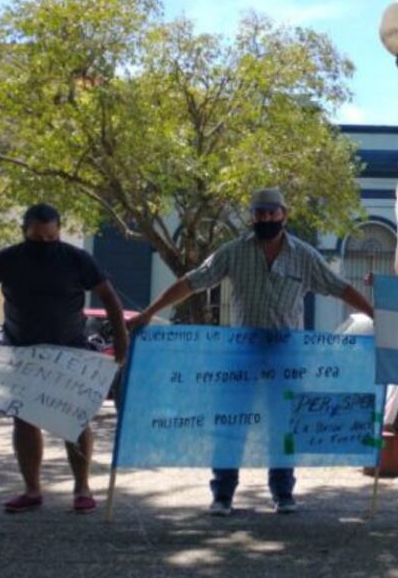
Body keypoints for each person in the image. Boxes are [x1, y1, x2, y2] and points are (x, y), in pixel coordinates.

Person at [127, 188, 374, 516]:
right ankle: (223, 494)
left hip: (287, 355)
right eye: (260, 213)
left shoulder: (305, 256)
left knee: (282, 424)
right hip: (240, 354)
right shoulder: (232, 253)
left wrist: (375, 315)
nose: (267, 218)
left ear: (284, 214)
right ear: (252, 216)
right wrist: (149, 311)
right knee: (230, 421)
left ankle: (283, 492)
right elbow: (193, 281)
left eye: (273, 212)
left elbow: (339, 287)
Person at [0, 203, 128, 515]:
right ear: (24, 231)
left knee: (75, 417)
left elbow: (109, 297)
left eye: (50, 239)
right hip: (21, 348)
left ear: (58, 231)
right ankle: (32, 489)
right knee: (24, 418)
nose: (43, 245)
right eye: (36, 239)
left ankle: (82, 488)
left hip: (69, 348)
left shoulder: (77, 258)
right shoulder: (6, 259)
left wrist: (122, 341)